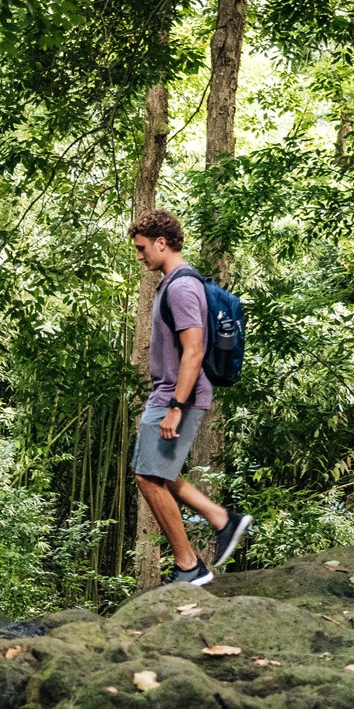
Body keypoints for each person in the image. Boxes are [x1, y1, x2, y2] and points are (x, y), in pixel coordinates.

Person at [129, 209, 252, 589]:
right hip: (168, 394)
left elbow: (194, 350)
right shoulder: (174, 282)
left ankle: (190, 566)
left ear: (161, 243)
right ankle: (221, 519)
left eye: (142, 248)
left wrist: (176, 409)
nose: (140, 256)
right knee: (157, 472)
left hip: (176, 397)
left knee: (148, 477)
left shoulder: (182, 287)